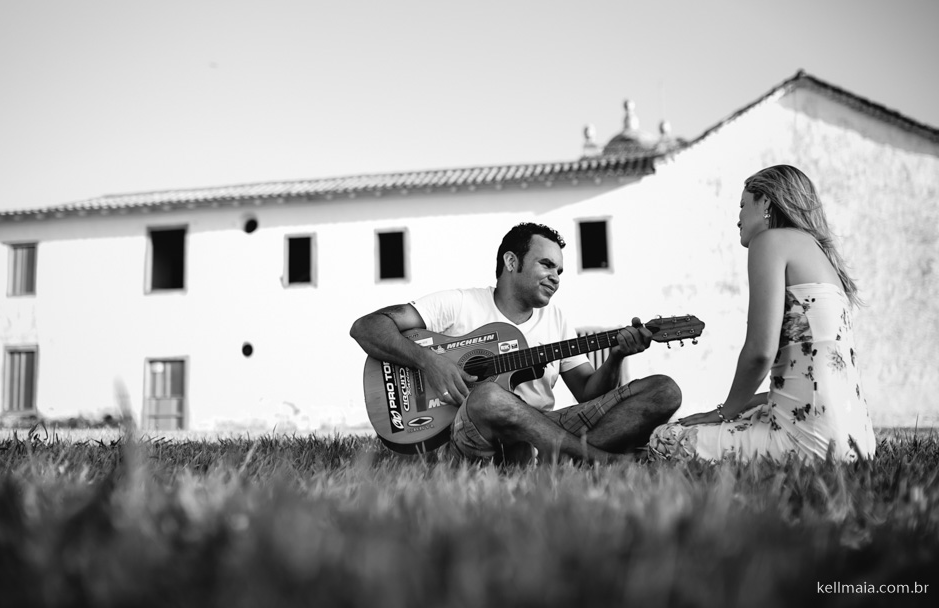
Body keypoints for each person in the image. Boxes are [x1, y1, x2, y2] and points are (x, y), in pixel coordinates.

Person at [350, 222, 682, 465]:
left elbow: (589, 395)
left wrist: (616, 356)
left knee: (664, 390)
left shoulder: (557, 321)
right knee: (489, 397)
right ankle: (597, 459)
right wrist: (429, 361)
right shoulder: (458, 304)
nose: (556, 277)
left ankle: (552, 458)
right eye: (547, 264)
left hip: (545, 429)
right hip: (474, 432)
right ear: (512, 262)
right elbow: (366, 327)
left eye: (560, 271)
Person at [649, 165, 876, 462]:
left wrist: (722, 412)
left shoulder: (770, 242)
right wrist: (743, 407)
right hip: (858, 442)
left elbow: (760, 352)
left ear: (765, 201)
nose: (738, 218)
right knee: (752, 410)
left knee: (665, 438)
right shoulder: (823, 259)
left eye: (743, 205)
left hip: (813, 443)